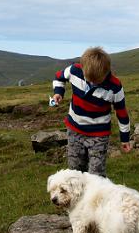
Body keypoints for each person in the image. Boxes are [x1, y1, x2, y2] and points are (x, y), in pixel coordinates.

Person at [50, 47, 131, 177]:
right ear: (82, 68)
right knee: (75, 170)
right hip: (74, 130)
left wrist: (125, 139)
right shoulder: (74, 70)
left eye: (97, 80)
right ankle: (79, 197)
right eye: (89, 79)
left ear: (106, 72)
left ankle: (97, 196)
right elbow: (59, 77)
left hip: (99, 135)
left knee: (96, 174)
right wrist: (58, 93)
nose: (93, 82)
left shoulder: (115, 86)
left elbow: (121, 112)